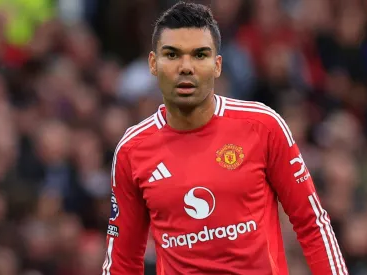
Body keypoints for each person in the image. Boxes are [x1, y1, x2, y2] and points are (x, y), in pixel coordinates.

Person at [102, 2, 348, 275]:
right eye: (172, 55)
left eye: (199, 55)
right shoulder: (132, 150)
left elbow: (312, 224)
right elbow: (122, 262)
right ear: (153, 64)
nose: (186, 67)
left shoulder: (262, 126)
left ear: (217, 65)